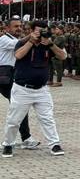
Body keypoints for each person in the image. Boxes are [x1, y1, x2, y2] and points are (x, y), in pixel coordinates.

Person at [2, 20, 67, 158]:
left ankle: (54, 144)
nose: (40, 33)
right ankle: (8, 144)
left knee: (47, 118)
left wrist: (50, 44)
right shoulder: (22, 43)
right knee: (14, 120)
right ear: (31, 30)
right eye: (37, 30)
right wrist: (31, 41)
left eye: (43, 30)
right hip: (22, 89)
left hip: (42, 90)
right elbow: (18, 55)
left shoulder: (48, 45)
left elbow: (63, 56)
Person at [0, 17, 40, 151]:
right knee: (19, 106)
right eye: (15, 26)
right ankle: (25, 138)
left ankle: (25, 137)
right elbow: (20, 44)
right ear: (7, 29)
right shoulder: (5, 39)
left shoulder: (13, 39)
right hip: (5, 75)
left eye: (20, 26)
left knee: (18, 106)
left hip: (11, 75)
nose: (19, 28)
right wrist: (33, 35)